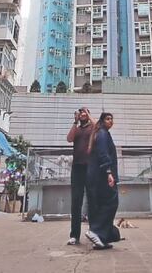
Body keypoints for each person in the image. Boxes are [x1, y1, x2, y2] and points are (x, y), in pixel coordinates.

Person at [84, 112, 120, 250]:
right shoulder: (103, 134)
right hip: (103, 175)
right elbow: (103, 153)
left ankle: (101, 238)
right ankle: (97, 231)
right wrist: (109, 172)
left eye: (112, 119)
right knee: (111, 202)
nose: (111, 121)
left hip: (95, 176)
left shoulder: (99, 133)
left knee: (99, 205)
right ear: (102, 121)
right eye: (108, 119)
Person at [66, 107, 93, 245]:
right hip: (77, 168)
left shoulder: (92, 128)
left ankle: (94, 232)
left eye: (85, 112)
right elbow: (69, 139)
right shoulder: (77, 128)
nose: (82, 114)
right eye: (80, 112)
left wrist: (88, 115)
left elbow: (97, 129)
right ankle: (74, 235)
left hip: (90, 167)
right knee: (76, 202)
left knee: (93, 200)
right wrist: (74, 122)